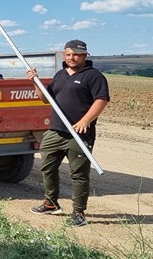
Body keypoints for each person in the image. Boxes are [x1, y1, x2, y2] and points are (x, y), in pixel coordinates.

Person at [27, 39, 110, 227]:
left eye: (76, 54)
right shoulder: (60, 75)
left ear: (84, 55)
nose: (72, 57)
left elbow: (102, 100)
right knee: (47, 167)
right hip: (55, 131)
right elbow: (45, 99)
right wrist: (35, 82)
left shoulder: (93, 76)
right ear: (65, 55)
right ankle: (51, 203)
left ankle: (78, 213)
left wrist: (85, 121)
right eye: (69, 54)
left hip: (79, 135)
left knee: (79, 175)